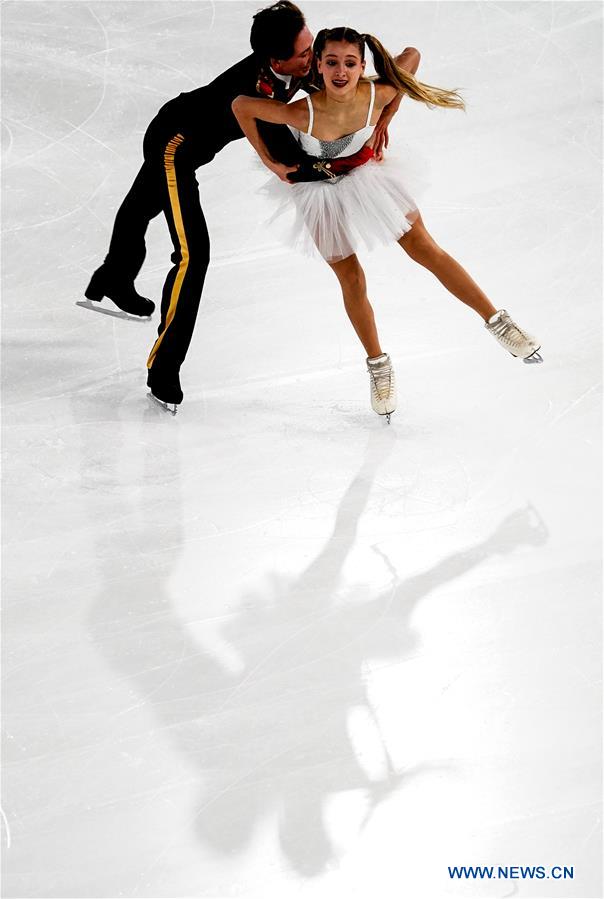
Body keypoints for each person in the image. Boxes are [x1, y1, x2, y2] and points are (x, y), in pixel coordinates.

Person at [82, 3, 406, 414]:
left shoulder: (297, 60)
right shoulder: (257, 88)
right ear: (277, 59)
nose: (313, 60)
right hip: (174, 146)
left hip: (194, 141)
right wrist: (303, 166)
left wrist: (385, 114)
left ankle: (111, 277)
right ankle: (163, 369)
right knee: (192, 254)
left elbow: (373, 82)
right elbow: (282, 150)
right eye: (306, 54)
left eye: (311, 47)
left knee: (141, 206)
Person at [232, 27, 543, 423]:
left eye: (350, 63)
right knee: (352, 279)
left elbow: (412, 54)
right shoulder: (300, 111)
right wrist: (270, 163)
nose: (341, 71)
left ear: (364, 66)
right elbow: (242, 105)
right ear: (318, 66)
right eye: (331, 63)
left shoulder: (378, 93)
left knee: (426, 250)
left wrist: (388, 114)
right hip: (318, 191)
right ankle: (378, 367)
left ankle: (500, 324)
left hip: (369, 179)